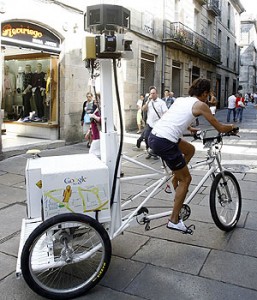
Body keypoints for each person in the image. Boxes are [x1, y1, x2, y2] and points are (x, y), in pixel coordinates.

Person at [148, 78, 238, 233]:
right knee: (187, 179)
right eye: (208, 94)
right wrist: (232, 127)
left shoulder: (182, 100)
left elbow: (172, 117)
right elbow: (220, 127)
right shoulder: (201, 105)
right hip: (165, 141)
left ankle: (175, 178)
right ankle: (174, 220)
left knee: (190, 150)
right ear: (204, 93)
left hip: (155, 136)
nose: (208, 97)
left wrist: (188, 127)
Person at [141, 86, 168, 159]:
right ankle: (149, 151)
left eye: (153, 93)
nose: (152, 95)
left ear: (157, 94)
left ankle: (155, 153)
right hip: (149, 123)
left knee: (155, 140)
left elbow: (166, 112)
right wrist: (148, 101)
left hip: (157, 124)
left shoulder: (161, 102)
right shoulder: (149, 102)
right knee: (146, 137)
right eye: (151, 93)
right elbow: (143, 109)